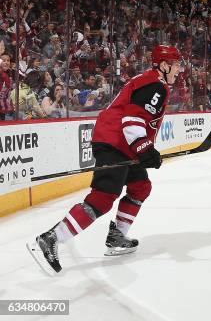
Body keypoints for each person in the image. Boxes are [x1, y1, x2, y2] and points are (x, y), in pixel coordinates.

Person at [27, 45, 181, 274]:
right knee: (103, 196)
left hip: (121, 143)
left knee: (140, 186)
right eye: (176, 65)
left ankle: (117, 236)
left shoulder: (149, 81)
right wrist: (146, 149)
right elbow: (132, 121)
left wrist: (143, 150)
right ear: (164, 65)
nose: (179, 70)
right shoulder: (154, 85)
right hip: (116, 142)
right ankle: (51, 238)